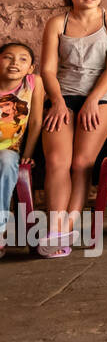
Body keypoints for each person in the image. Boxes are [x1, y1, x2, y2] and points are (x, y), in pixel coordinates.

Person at [39, 0, 107, 258]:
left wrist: (93, 100)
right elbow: (48, 70)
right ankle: (55, 227)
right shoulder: (56, 22)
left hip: (101, 98)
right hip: (62, 95)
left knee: (80, 163)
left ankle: (67, 226)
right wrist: (57, 102)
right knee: (56, 161)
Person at [0, 41, 44, 255]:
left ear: (31, 68)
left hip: (9, 152)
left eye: (22, 59)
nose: (14, 63)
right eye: (7, 57)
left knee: (6, 160)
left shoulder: (32, 83)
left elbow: (36, 122)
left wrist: (28, 154)